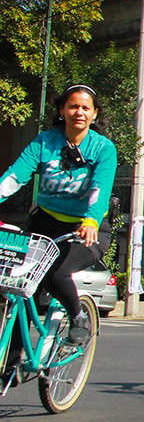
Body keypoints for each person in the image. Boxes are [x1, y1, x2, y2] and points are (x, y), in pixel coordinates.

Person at [0, 84, 116, 346]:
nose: (79, 112)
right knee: (21, 285)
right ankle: (13, 358)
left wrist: (90, 220)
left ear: (95, 114)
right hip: (45, 222)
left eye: (86, 108)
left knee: (55, 273)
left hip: (86, 228)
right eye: (73, 106)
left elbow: (100, 188)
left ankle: (78, 317)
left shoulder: (103, 148)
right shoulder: (45, 141)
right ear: (62, 110)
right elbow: (15, 176)